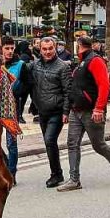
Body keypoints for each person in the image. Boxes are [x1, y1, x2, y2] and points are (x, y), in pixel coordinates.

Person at [57, 35, 110, 191]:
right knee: (72, 143)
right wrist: (68, 109)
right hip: (76, 110)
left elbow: (104, 85)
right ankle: (74, 179)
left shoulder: (95, 61)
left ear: (79, 45)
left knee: (98, 144)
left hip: (91, 110)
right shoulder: (81, 63)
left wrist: (99, 108)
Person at [28, 37, 72, 188]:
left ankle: (56, 174)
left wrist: (66, 111)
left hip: (57, 112)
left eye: (50, 49)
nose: (47, 52)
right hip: (42, 111)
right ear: (40, 50)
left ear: (55, 48)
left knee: (49, 140)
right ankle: (56, 172)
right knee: (48, 143)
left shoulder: (63, 67)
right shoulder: (34, 65)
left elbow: (68, 91)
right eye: (44, 49)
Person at [1, 39, 30, 179]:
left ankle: (11, 173)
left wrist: (18, 92)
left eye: (12, 48)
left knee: (11, 143)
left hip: (12, 109)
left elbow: (29, 84)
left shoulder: (20, 65)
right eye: (6, 48)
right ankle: (5, 165)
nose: (10, 51)